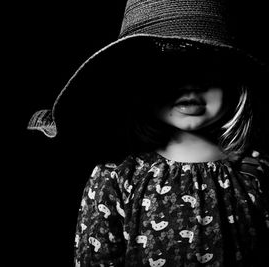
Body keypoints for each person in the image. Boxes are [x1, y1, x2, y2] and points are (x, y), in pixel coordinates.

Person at [28, 0, 269, 266]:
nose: (190, 83)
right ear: (135, 81)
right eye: (168, 70)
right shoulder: (116, 176)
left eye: (206, 65)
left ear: (234, 78)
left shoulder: (253, 171)